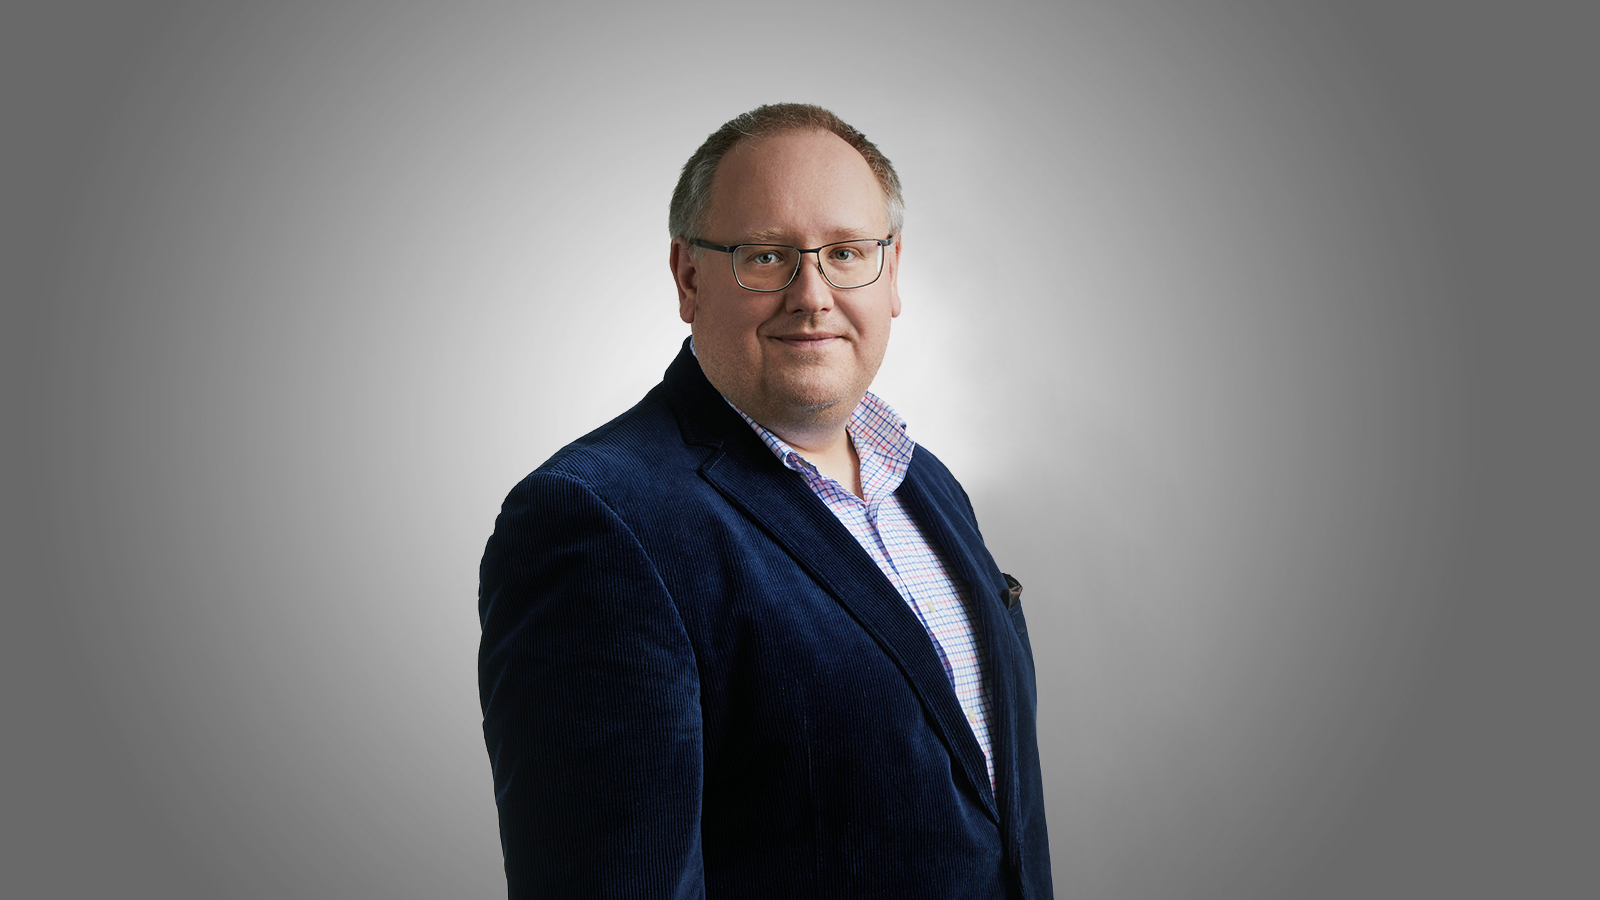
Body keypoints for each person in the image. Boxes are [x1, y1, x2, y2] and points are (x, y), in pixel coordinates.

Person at [478, 103, 1052, 899]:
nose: (812, 295)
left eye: (846, 253)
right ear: (689, 278)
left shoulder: (927, 485)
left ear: (891, 274)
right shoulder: (598, 520)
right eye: (766, 255)